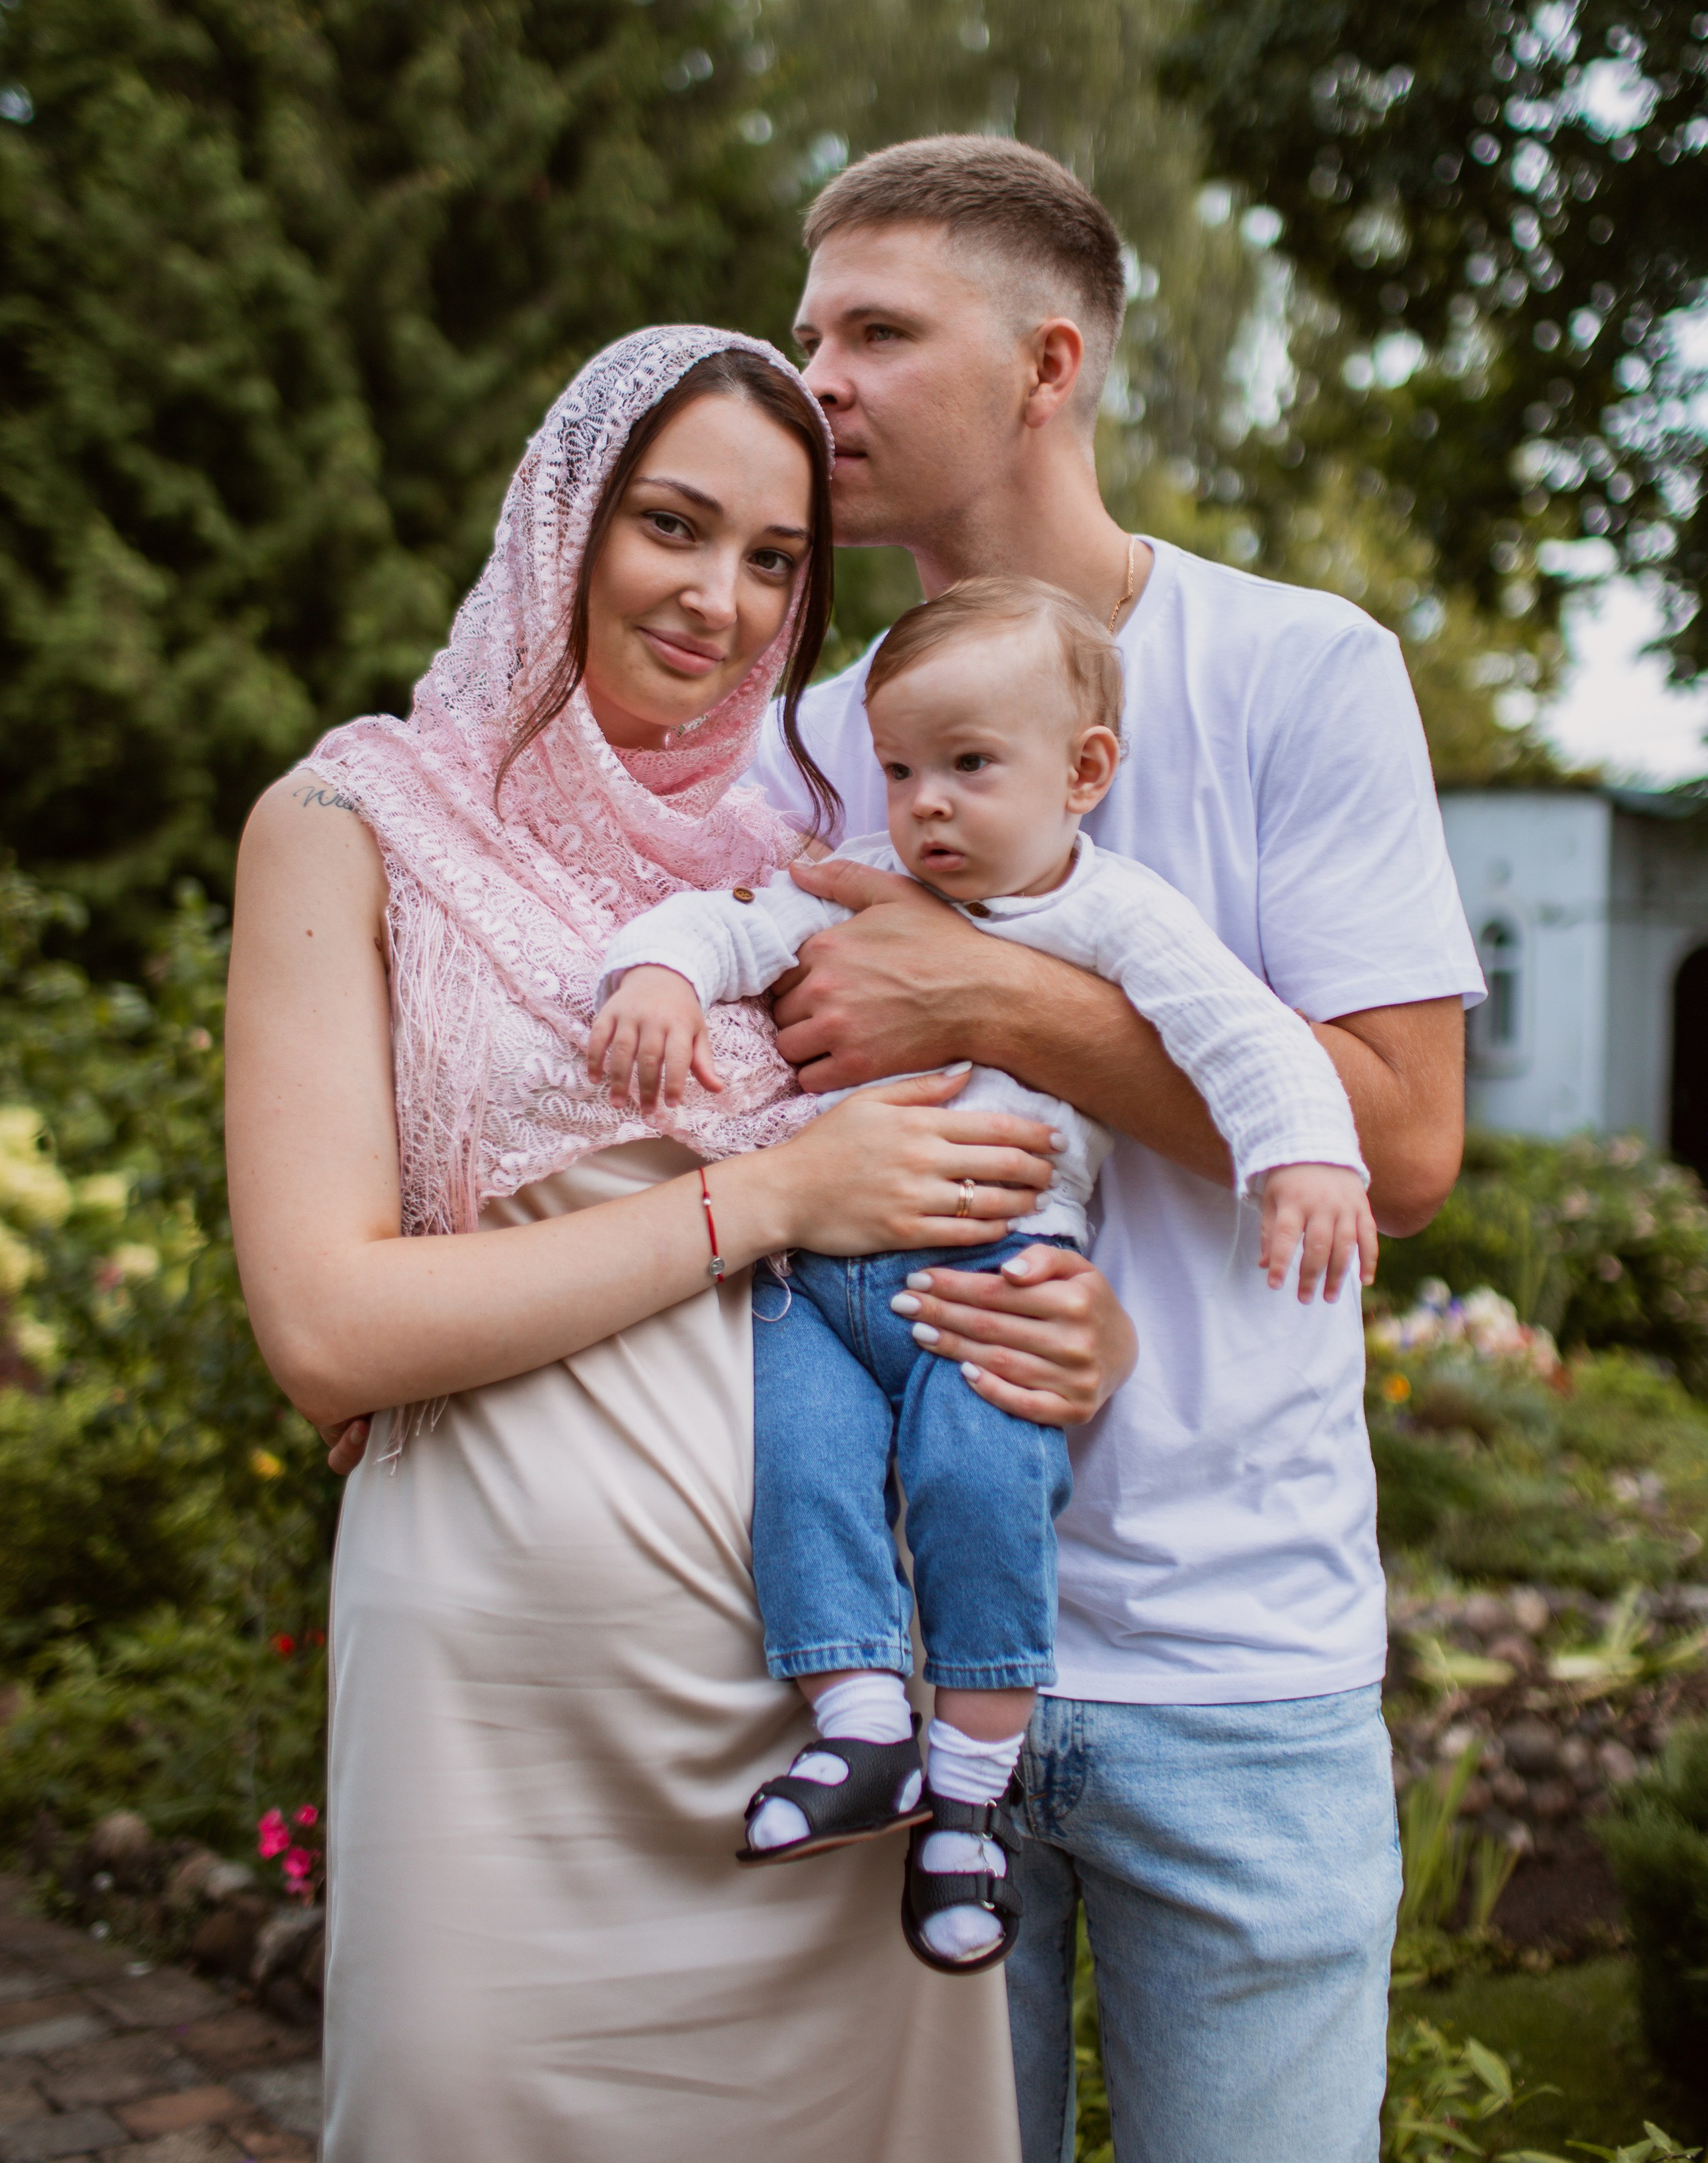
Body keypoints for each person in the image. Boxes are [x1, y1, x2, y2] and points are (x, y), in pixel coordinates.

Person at [224, 322, 1135, 2163]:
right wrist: (769, 1199)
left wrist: (1080, 1328)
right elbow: (325, 1326)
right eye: (672, 525)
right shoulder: (352, 826)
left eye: (778, 559)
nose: (721, 599)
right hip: (499, 1705)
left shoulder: (825, 849)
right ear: (564, 517)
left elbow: (1024, 1132)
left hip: (825, 1709)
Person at [746, 138, 1484, 2162]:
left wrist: (980, 996)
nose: (820, 381)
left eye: (878, 331)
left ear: (1048, 360)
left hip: (1235, 1675)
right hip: (881, 1678)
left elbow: (1402, 1144)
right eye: (811, 332)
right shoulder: (798, 744)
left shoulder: (1297, 670)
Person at [590, 571, 1374, 1979]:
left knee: (974, 1483)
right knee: (804, 1469)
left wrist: (1306, 1159)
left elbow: (1247, 1042)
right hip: (821, 1276)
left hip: (994, 1276)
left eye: (966, 767)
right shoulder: (867, 891)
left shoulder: (1114, 917)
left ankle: (967, 1799)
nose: (925, 804)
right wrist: (653, 973)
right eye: (899, 770)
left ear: (1083, 774)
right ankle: (858, 1735)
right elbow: (729, 922)